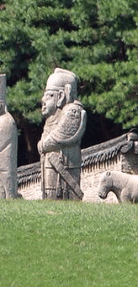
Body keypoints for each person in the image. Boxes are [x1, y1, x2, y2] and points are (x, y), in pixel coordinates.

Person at [39, 68, 86, 200]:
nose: (43, 100)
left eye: (49, 95)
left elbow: (58, 137)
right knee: (50, 194)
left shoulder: (73, 111)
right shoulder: (54, 115)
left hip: (65, 163)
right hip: (52, 164)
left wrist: (42, 145)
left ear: (61, 96)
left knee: (65, 194)